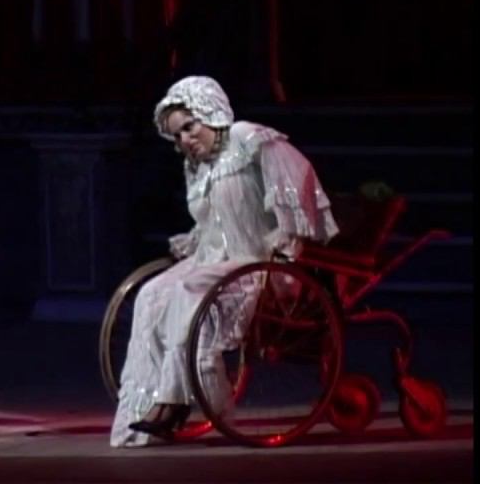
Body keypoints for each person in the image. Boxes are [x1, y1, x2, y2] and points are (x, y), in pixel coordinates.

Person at [110, 76, 339, 447]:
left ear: (210, 113)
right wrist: (194, 242)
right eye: (177, 135)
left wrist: (288, 235)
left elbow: (294, 176)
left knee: (189, 290)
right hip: (215, 258)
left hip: (257, 262)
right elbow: (212, 223)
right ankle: (151, 401)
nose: (185, 140)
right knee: (151, 294)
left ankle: (175, 400)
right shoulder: (197, 166)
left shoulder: (247, 138)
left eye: (190, 127)